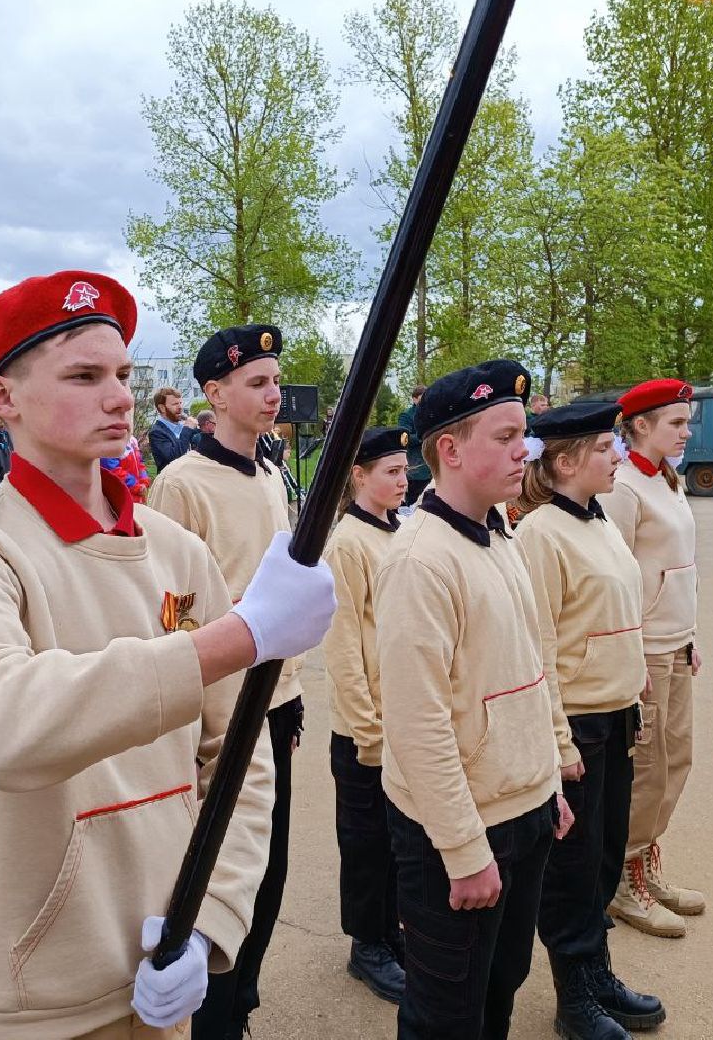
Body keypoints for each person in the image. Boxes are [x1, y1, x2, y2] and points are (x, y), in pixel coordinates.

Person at [0, 268, 336, 1040]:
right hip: (38, 993)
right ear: (1, 398)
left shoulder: (175, 552)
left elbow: (238, 755)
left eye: (124, 375)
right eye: (84, 376)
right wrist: (235, 639)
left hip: (164, 958)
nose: (119, 397)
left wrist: (212, 918)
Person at [375, 360, 571, 1039]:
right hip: (457, 829)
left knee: (499, 987)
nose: (527, 449)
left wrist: (548, 783)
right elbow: (415, 724)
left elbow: (532, 663)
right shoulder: (419, 561)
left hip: (524, 810)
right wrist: (462, 850)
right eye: (507, 434)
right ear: (450, 450)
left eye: (527, 433)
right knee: (445, 1013)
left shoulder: (502, 530)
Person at [147, 323, 304, 1040]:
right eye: (257, 384)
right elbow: (170, 611)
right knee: (214, 868)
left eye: (275, 381)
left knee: (264, 869)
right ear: (214, 394)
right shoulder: (182, 484)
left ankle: (238, 1006)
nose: (273, 395)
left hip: (277, 697)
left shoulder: (272, 471)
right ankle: (211, 1018)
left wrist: (292, 690)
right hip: (220, 707)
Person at [516, 403, 666, 1040]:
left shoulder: (599, 518)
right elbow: (538, 645)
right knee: (572, 866)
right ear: (564, 461)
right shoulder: (540, 533)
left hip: (616, 711)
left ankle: (597, 970)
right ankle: (573, 992)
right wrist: (557, 741)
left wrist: (636, 672)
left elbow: (618, 608)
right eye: (605, 447)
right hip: (576, 721)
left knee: (603, 853)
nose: (616, 456)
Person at [603, 381, 704, 939]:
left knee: (676, 761)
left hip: (677, 642)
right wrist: (631, 652)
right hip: (645, 650)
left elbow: (679, 563)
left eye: (687, 424)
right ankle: (623, 880)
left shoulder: (667, 478)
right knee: (647, 768)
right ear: (639, 424)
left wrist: (690, 632)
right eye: (676, 424)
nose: (687, 433)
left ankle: (643, 864)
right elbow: (615, 576)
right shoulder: (623, 486)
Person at [322, 426, 409, 1004]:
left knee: (402, 841)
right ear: (359, 475)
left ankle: (393, 932)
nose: (402, 482)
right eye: (390, 472)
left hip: (407, 722)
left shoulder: (401, 533)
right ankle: (367, 945)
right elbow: (343, 647)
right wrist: (367, 731)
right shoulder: (347, 544)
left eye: (405, 471)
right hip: (366, 731)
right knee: (366, 842)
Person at [397, 384, 431, 507]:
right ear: (414, 399)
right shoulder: (407, 415)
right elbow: (403, 439)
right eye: (422, 399)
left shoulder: (431, 413)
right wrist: (425, 435)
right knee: (410, 506)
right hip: (416, 469)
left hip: (432, 469)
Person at [149, 387, 198, 471]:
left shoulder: (183, 427)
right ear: (162, 408)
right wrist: (187, 430)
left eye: (180, 403)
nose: (180, 407)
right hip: (172, 482)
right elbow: (173, 457)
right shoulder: (157, 432)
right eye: (175, 404)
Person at [103, 434, 151, 502]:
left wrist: (144, 480)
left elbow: (140, 463)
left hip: (137, 494)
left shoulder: (132, 441)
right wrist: (136, 486)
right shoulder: (109, 444)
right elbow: (113, 471)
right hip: (121, 497)